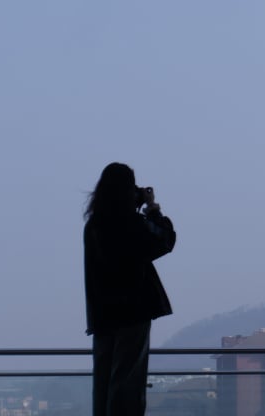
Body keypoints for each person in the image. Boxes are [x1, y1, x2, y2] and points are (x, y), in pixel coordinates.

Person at [83, 162, 176, 416]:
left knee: (104, 381)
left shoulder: (94, 226)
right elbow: (163, 240)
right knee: (128, 382)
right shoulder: (129, 223)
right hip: (132, 313)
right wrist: (153, 209)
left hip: (102, 316)